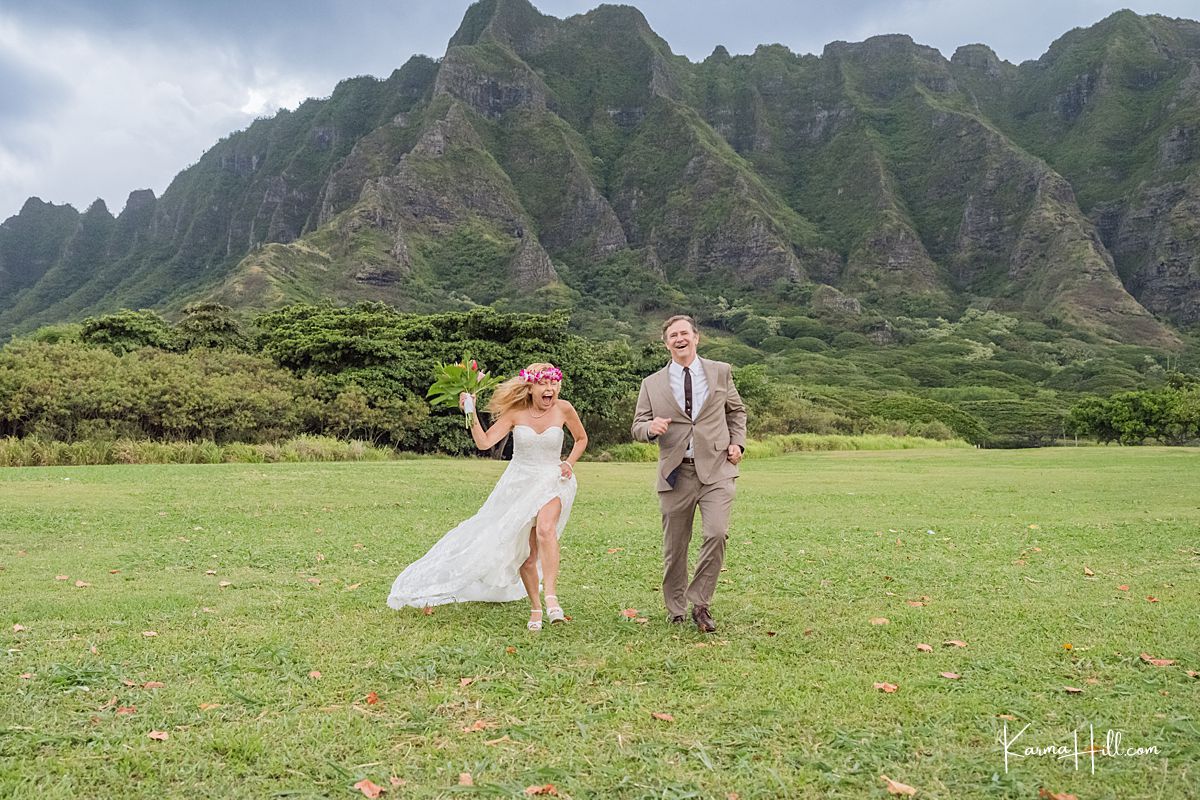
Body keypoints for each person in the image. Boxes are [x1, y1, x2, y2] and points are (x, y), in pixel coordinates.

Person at [387, 363, 587, 631]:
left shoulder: (564, 408)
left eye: (553, 383)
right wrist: (470, 412)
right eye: (543, 383)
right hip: (519, 484)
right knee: (526, 555)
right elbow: (484, 443)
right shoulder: (515, 412)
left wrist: (569, 463)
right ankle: (536, 608)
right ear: (530, 387)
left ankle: (552, 599)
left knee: (546, 530)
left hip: (553, 480)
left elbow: (581, 439)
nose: (549, 389)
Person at [631, 315, 746, 633]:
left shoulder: (721, 372)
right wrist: (650, 428)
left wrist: (738, 442)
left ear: (696, 337)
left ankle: (701, 604)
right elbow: (637, 426)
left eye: (684, 333)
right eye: (672, 335)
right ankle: (676, 608)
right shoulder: (651, 384)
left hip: (717, 469)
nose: (679, 339)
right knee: (675, 547)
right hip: (675, 473)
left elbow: (736, 411)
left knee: (716, 533)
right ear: (666, 343)